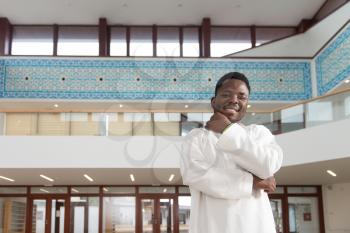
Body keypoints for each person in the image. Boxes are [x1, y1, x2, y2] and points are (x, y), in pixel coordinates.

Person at [180, 72, 283, 233]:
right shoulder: (196, 137)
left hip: (256, 226)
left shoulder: (258, 133)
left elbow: (268, 165)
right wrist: (252, 182)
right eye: (226, 94)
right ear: (214, 102)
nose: (234, 100)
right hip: (211, 226)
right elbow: (194, 174)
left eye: (242, 97)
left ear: (247, 103)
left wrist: (228, 130)